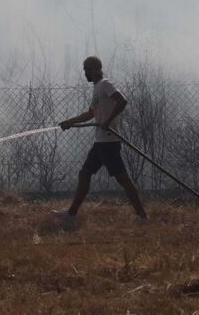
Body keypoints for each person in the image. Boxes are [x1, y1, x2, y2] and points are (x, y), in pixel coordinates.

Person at [56, 56, 148, 223]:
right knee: (84, 174)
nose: (86, 72)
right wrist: (70, 122)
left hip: (109, 143)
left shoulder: (105, 84)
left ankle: (142, 216)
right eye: (85, 69)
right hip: (100, 143)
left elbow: (122, 101)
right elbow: (90, 114)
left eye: (88, 69)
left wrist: (108, 121)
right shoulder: (97, 88)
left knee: (123, 179)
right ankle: (71, 214)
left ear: (97, 69)